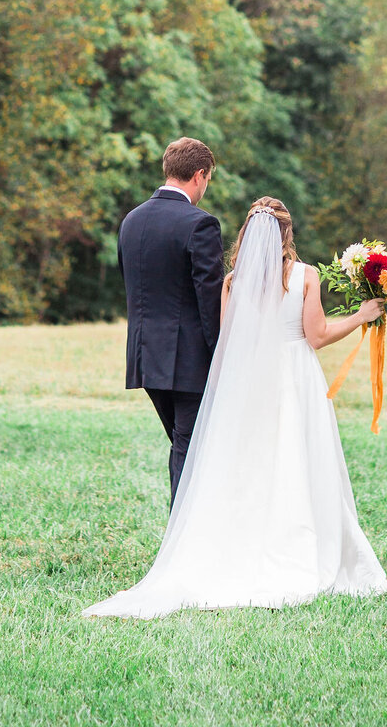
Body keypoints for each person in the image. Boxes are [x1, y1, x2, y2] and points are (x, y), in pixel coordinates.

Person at [85, 196, 387, 618]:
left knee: (252, 464)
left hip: (248, 382)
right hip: (295, 378)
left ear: (247, 234)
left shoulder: (232, 282)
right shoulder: (305, 275)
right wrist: (362, 314)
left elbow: (227, 340)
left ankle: (244, 543)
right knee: (299, 460)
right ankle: (301, 545)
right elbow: (316, 336)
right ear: (287, 234)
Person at [116, 136, 224, 505]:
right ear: (199, 174)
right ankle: (183, 546)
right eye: (208, 179)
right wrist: (223, 355)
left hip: (146, 359)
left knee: (185, 444)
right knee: (190, 449)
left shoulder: (131, 221)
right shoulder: (200, 224)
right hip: (190, 360)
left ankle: (193, 534)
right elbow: (209, 302)